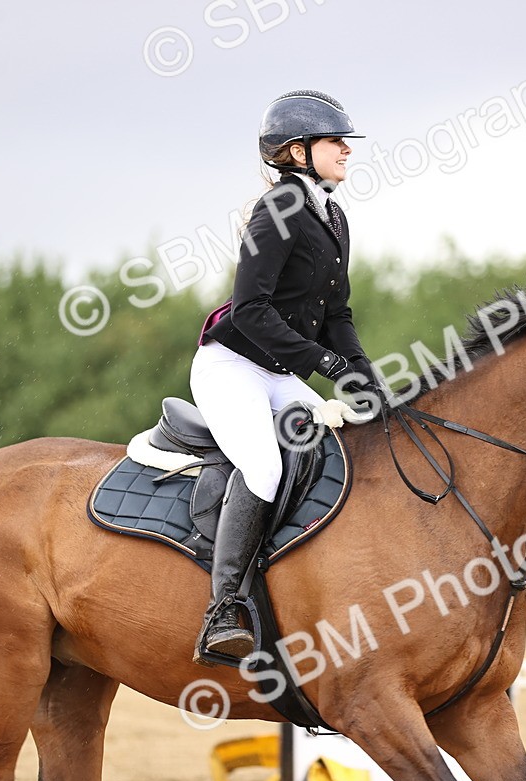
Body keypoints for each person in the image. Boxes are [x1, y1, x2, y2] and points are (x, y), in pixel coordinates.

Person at [190, 90, 378, 665]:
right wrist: (326, 366)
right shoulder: (275, 211)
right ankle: (223, 609)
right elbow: (250, 310)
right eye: (334, 141)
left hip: (278, 370)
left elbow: (337, 316)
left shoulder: (334, 216)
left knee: (346, 451)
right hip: (233, 367)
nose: (346, 150)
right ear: (297, 151)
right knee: (266, 465)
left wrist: (365, 378)